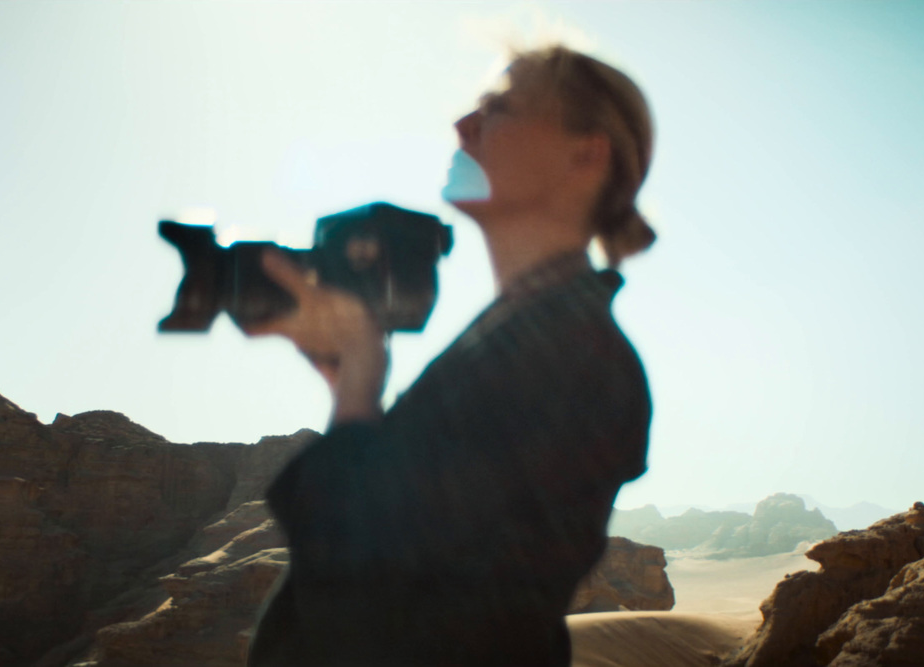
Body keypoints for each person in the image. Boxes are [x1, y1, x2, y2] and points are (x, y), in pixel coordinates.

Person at [245, 44, 657, 667]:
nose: (463, 125)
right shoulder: (521, 339)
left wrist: (358, 402)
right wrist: (354, 386)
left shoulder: (576, 358)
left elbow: (403, 618)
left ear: (586, 152)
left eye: (499, 108)